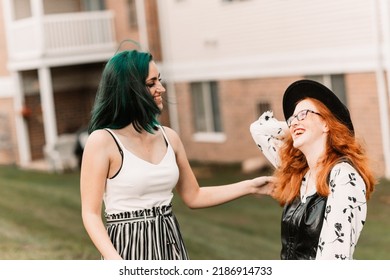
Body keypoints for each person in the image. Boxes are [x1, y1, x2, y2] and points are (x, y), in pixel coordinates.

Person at [80, 48, 274, 260]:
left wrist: (250, 186)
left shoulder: (169, 137)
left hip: (170, 244)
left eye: (159, 80)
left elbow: (194, 196)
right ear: (130, 89)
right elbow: (90, 214)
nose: (161, 88)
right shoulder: (102, 141)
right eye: (151, 83)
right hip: (127, 248)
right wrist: (116, 262)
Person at [250, 79, 376, 260]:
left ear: (326, 124)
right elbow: (258, 129)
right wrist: (299, 124)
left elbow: (333, 260)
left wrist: (301, 125)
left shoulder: (343, 176)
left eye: (303, 114)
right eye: (291, 118)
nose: (293, 122)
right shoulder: (299, 173)